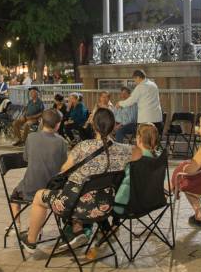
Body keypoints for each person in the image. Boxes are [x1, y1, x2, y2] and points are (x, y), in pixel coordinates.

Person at [19, 108, 135, 254]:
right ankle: (78, 230)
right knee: (82, 190)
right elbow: (145, 151)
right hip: (104, 206)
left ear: (94, 126)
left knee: (39, 196)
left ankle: (31, 240)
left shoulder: (83, 147)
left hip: (76, 206)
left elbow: (64, 170)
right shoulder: (126, 150)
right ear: (114, 126)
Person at [9, 109, 68, 229]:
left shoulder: (31, 137)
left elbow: (26, 158)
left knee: (14, 197)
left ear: (41, 121)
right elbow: (64, 166)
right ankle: (38, 228)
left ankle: (17, 225)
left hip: (31, 188)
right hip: (51, 189)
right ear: (58, 124)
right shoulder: (62, 142)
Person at [114, 123, 158, 215]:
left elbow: (126, 182)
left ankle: (110, 227)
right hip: (149, 201)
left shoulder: (137, 159)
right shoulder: (156, 157)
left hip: (125, 204)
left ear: (139, 138)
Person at [116, 69, 163, 134]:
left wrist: (120, 103)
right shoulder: (154, 85)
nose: (135, 82)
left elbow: (131, 100)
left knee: (144, 140)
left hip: (145, 119)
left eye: (135, 79)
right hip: (157, 118)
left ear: (138, 77)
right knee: (154, 139)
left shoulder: (140, 87)